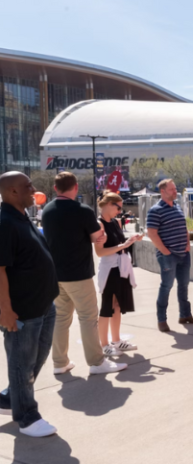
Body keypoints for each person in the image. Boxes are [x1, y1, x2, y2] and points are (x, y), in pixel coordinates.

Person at [41, 172, 127, 375]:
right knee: (88, 318)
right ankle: (97, 363)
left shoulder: (47, 210)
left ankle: (59, 363)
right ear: (76, 187)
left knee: (61, 318)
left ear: (55, 188)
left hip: (56, 274)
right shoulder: (83, 210)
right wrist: (101, 233)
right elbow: (99, 238)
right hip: (78, 273)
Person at [0, 172, 60, 437]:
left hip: (44, 305)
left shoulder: (22, 217)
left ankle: (11, 397)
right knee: (22, 364)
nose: (34, 189)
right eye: (28, 186)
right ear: (12, 192)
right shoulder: (4, 222)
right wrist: (5, 311)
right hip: (22, 311)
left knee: (35, 359)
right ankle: (26, 416)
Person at [146, 179, 193, 332]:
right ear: (163, 192)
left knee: (184, 286)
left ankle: (185, 315)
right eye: (171, 189)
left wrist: (188, 243)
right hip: (168, 256)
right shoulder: (155, 210)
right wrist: (165, 252)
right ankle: (161, 320)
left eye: (175, 188)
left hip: (183, 254)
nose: (175, 191)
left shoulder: (177, 207)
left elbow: (183, 226)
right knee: (166, 286)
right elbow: (151, 233)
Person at [95, 192, 142, 356]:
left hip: (120, 267)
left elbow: (119, 243)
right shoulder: (99, 224)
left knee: (117, 305)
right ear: (108, 204)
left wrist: (131, 239)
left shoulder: (115, 222)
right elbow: (100, 252)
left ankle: (116, 340)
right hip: (110, 270)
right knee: (107, 306)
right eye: (118, 207)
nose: (120, 210)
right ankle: (104, 344)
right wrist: (124, 245)